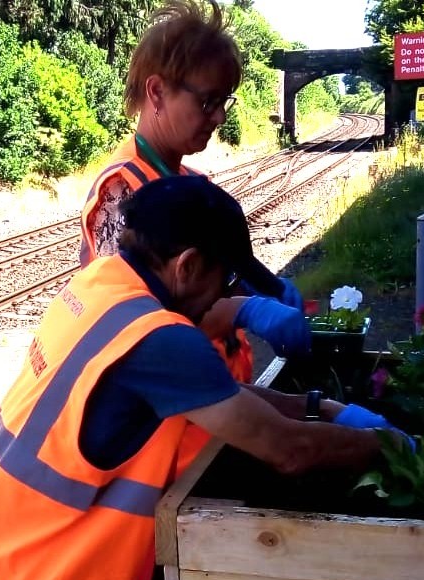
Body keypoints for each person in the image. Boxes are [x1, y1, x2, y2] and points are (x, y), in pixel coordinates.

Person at [0, 175, 413, 580]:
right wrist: (381, 448)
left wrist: (321, 407)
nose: (224, 298)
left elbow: (218, 395)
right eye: (227, 281)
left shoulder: (100, 286)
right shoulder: (159, 338)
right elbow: (287, 450)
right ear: (188, 266)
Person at [79, 0, 308, 386]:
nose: (219, 117)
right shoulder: (121, 193)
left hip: (206, 399)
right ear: (156, 93)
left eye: (224, 102)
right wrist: (241, 310)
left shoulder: (186, 181)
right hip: (161, 418)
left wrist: (261, 286)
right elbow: (134, 333)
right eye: (208, 101)